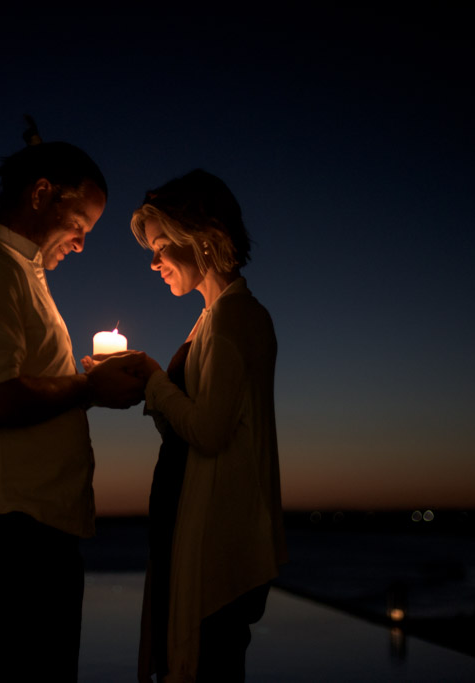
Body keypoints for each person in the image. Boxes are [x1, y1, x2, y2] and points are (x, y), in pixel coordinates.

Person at [0, 122, 146, 682]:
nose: (80, 242)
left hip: (30, 526)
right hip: (13, 533)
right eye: (79, 224)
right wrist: (91, 389)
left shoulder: (19, 276)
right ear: (41, 193)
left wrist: (80, 385)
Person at [129, 170, 286, 682]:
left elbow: (211, 432)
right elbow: (194, 430)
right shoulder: (212, 317)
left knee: (211, 665)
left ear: (199, 237)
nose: (152, 262)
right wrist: (151, 389)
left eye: (160, 247)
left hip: (218, 536)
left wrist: (153, 381)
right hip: (192, 518)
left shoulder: (234, 319)